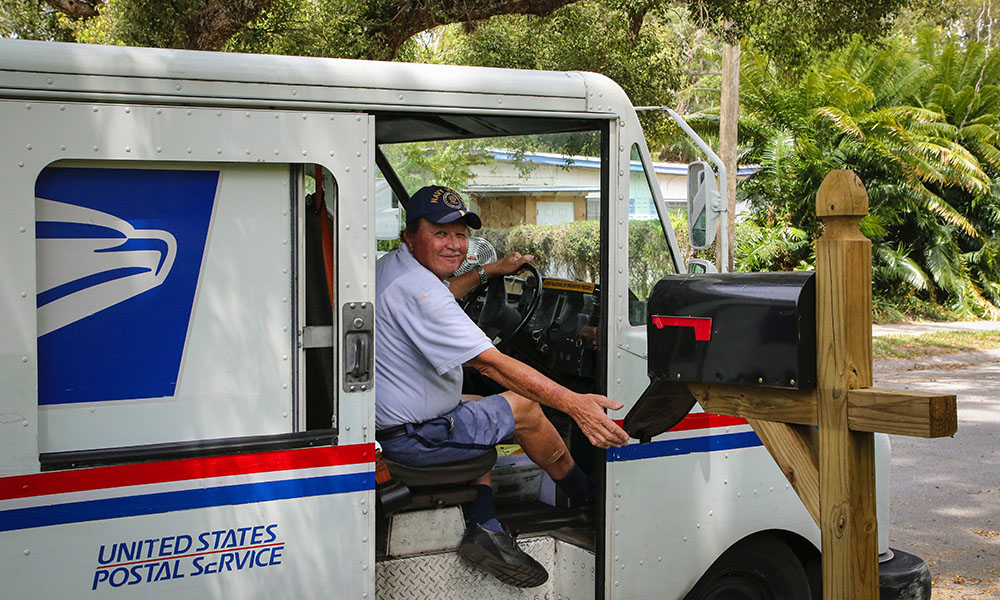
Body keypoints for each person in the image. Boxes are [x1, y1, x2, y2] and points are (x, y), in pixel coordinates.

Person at [375, 185, 628, 588]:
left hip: (393, 420)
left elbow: (446, 293)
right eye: (440, 234)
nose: (454, 245)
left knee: (483, 406)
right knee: (523, 407)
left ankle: (485, 521)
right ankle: (587, 503)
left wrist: (489, 272)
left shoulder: (395, 267)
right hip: (411, 440)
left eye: (461, 234)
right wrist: (574, 402)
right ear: (410, 235)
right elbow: (490, 363)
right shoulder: (420, 292)